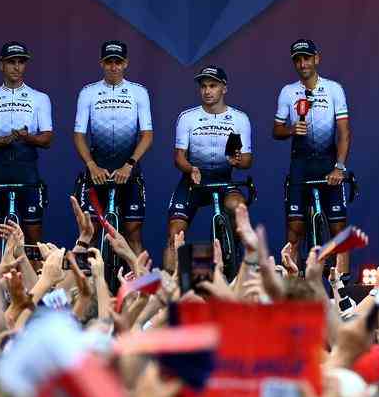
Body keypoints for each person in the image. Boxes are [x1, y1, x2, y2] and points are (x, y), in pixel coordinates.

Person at [272, 39, 352, 274]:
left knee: (339, 228)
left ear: (316, 59)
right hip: (300, 163)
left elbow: (345, 133)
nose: (302, 63)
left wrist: (339, 167)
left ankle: (343, 287)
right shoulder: (287, 92)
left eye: (307, 58)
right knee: (294, 231)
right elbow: (276, 130)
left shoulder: (334, 89)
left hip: (328, 161)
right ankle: (293, 288)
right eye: (297, 59)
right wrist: (290, 129)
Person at [73, 40, 153, 256]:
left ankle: (143, 289)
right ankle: (86, 289)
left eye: (118, 62)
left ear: (126, 63)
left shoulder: (138, 92)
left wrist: (129, 165)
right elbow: (79, 135)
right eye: (109, 62)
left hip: (129, 171)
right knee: (90, 231)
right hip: (97, 172)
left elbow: (147, 136)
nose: (114, 67)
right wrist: (91, 166)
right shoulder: (88, 92)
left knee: (133, 232)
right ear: (102, 63)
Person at [0, 42, 52, 244]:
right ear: (1, 65)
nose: (17, 67)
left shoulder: (40, 98)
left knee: (34, 242)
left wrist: (27, 138)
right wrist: (6, 140)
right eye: (11, 62)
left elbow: (47, 139)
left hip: (28, 174)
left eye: (21, 62)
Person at [167, 65, 253, 242]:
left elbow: (246, 161)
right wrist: (191, 169)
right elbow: (179, 157)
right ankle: (176, 270)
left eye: (213, 86)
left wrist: (237, 161)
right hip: (193, 179)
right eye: (203, 86)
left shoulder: (240, 118)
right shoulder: (187, 117)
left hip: (224, 179)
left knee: (238, 209)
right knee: (175, 235)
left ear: (224, 88)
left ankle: (232, 256)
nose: (207, 91)